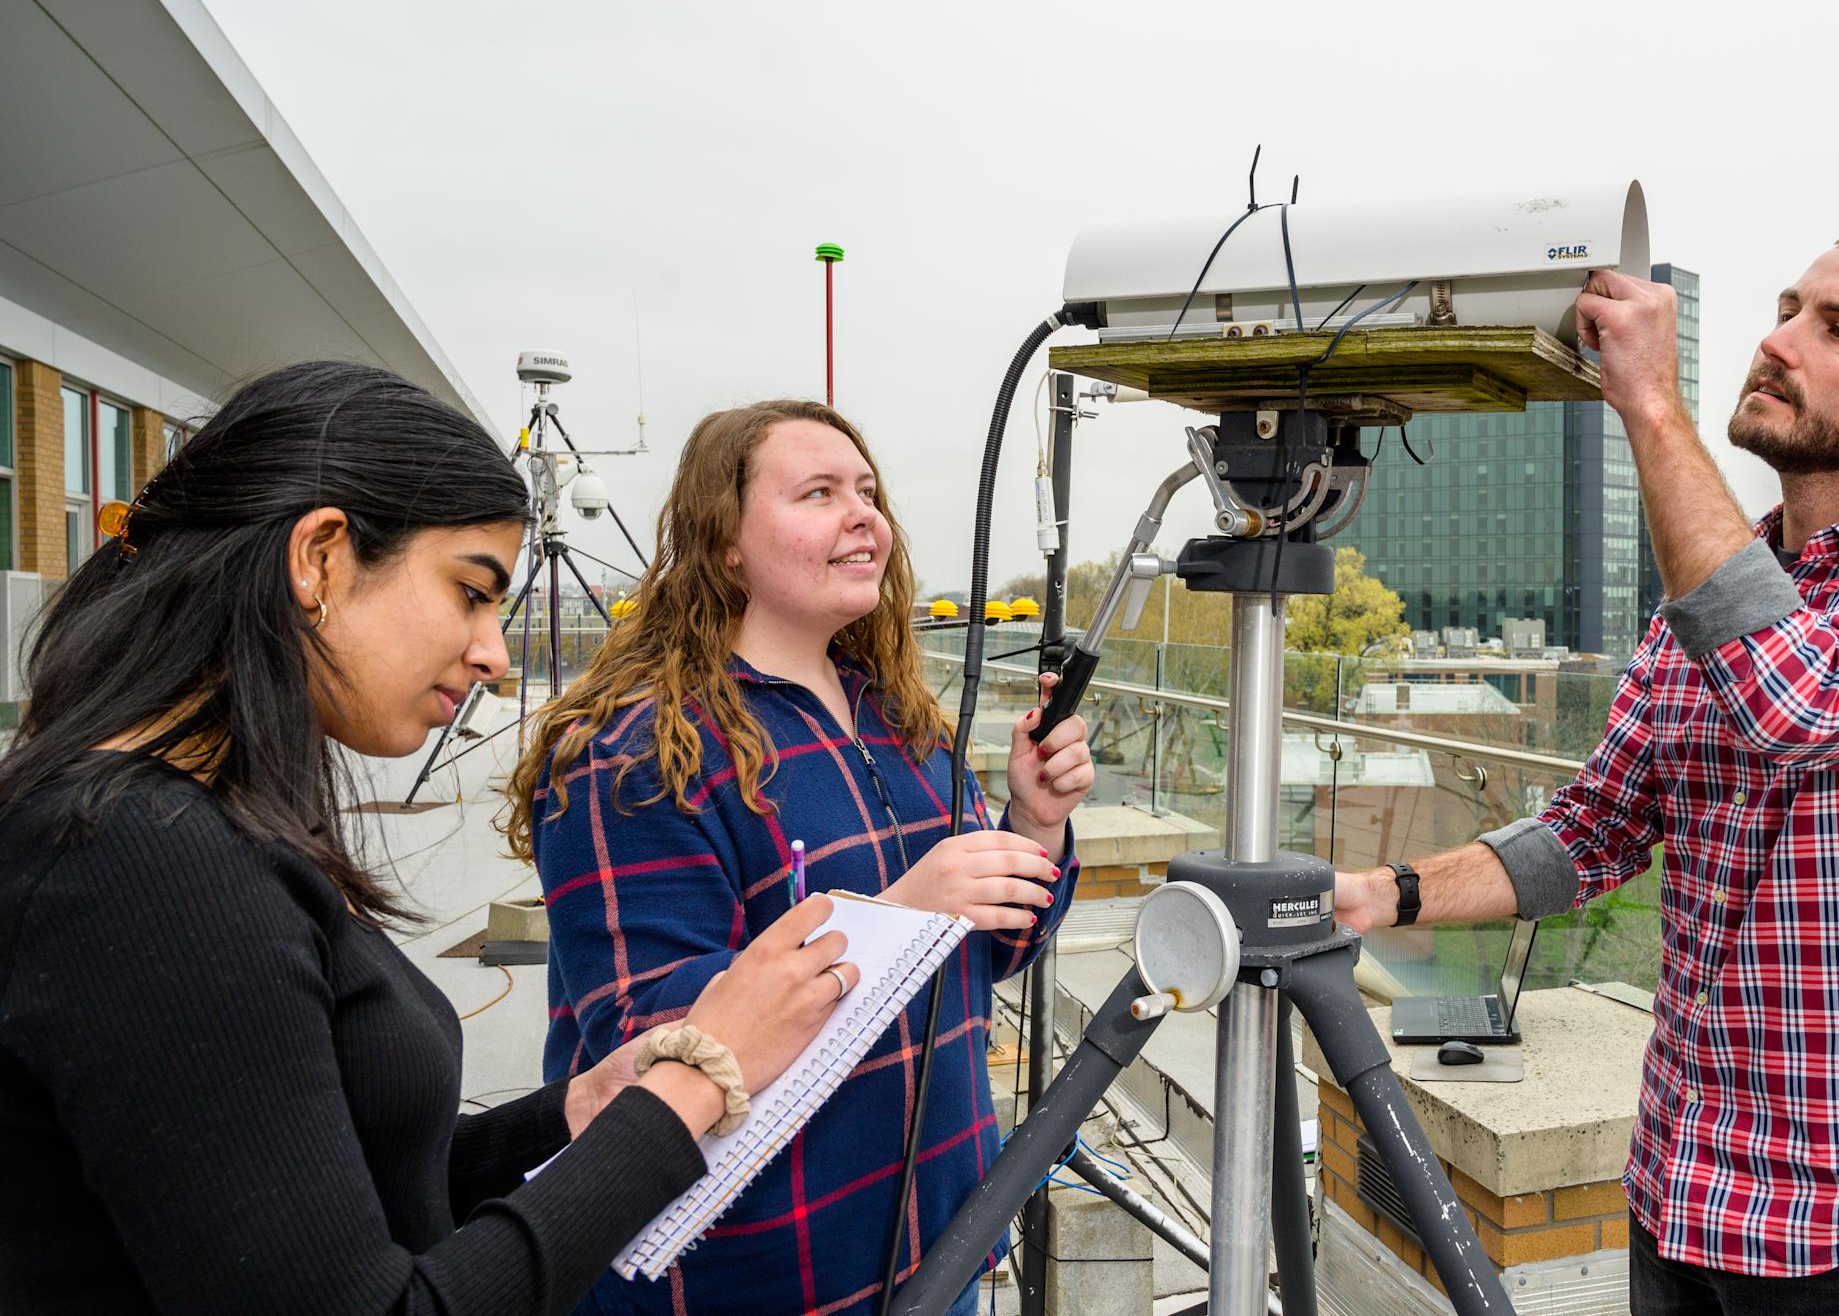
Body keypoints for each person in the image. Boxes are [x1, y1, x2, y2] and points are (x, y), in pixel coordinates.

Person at [0, 361, 859, 1316]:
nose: (494, 651)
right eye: (469, 591)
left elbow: (332, 1197)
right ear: (320, 558)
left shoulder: (193, 824)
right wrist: (699, 1082)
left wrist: (568, 1116)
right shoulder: (137, 865)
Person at [1336, 227, 1839, 1315]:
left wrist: (1650, 404)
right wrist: (1387, 894)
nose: (1777, 341)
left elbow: (1805, 698)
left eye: (1836, 328)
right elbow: (1592, 832)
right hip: (1682, 1200)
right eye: (1786, 309)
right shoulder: (1702, 596)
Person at [508, 399, 1095, 1316]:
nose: (863, 514)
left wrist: (1035, 825)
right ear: (724, 540)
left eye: (866, 492)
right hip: (743, 1282)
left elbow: (992, 951)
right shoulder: (630, 752)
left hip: (938, 1254)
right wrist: (899, 913)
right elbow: (642, 1035)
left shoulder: (904, 720)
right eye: (819, 493)